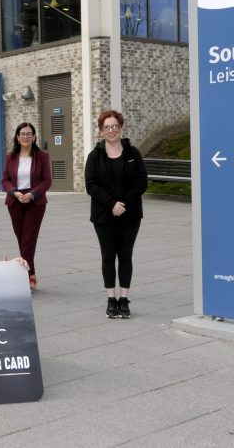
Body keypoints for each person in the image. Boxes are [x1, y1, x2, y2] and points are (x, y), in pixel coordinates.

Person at [84, 110, 147, 319]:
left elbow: (141, 182)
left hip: (130, 215)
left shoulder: (133, 153)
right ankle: (111, 299)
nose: (111, 131)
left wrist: (123, 204)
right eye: (106, 127)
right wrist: (111, 204)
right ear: (101, 131)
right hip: (103, 216)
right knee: (108, 256)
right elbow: (91, 185)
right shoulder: (94, 156)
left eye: (114, 126)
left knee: (126, 256)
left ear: (121, 127)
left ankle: (124, 299)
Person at [1, 122, 52, 292]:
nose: (26, 136)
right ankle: (32, 276)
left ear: (34, 137)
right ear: (17, 137)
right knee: (22, 241)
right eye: (22, 133)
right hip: (15, 201)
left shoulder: (42, 155)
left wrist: (32, 194)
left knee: (28, 241)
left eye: (29, 134)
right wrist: (14, 192)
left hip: (35, 202)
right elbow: (5, 180)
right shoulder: (11, 156)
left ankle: (25, 278)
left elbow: (47, 180)